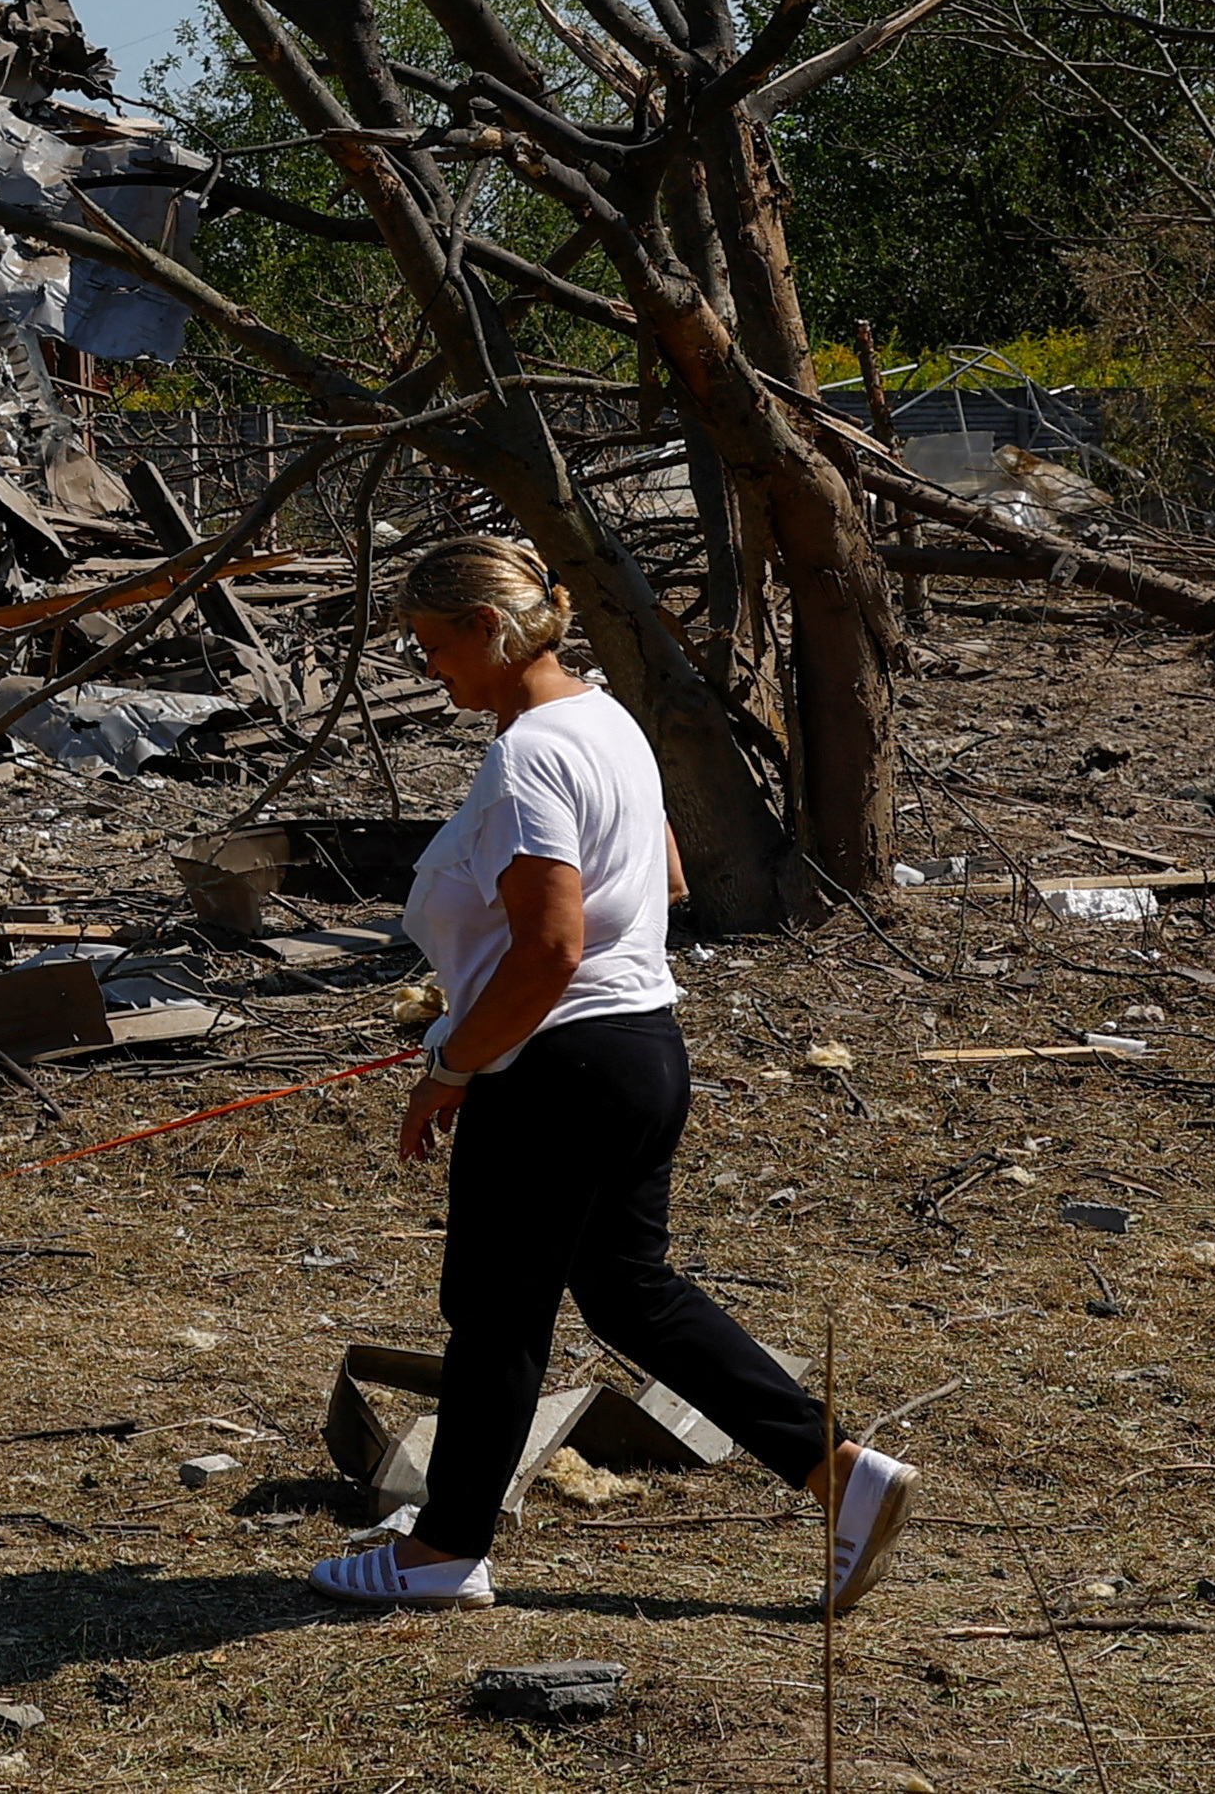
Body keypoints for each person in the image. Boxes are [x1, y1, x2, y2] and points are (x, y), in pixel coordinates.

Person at [301, 534, 919, 1617]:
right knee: (630, 1294)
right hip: (640, 1050)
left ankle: (442, 1551)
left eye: (433, 646)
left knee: (494, 1313)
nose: (429, 671)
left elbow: (550, 949)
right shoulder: (605, 723)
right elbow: (666, 878)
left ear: (490, 632)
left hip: (560, 1066)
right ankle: (839, 1472)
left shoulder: (534, 751)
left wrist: (453, 1058)